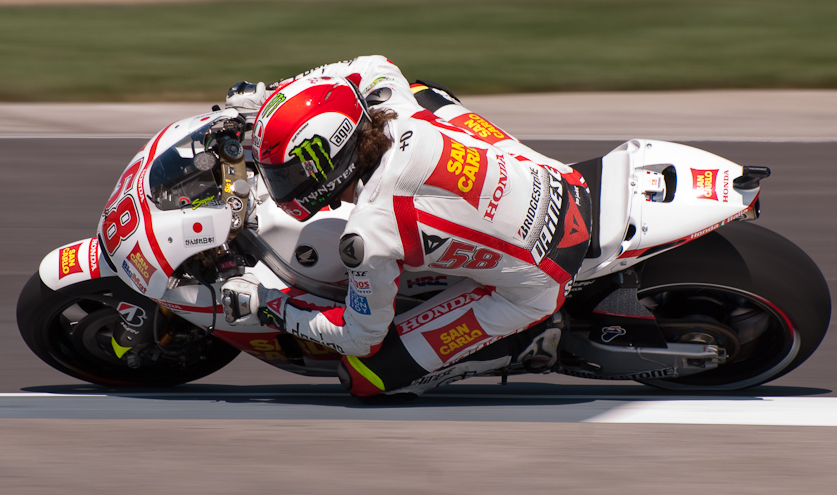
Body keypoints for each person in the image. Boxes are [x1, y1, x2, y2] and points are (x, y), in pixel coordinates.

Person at [221, 55, 591, 402]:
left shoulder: (370, 231)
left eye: (286, 174)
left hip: (543, 277)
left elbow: (361, 337)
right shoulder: (391, 106)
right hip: (564, 181)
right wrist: (272, 93)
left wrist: (270, 305)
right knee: (422, 94)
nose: (277, 183)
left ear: (323, 167)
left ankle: (518, 342)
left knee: (365, 377)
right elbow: (373, 63)